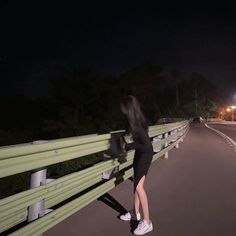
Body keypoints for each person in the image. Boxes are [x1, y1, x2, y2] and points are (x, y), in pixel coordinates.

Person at [119, 95, 154, 235]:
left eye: (122, 106)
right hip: (140, 153)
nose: (120, 108)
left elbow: (145, 144)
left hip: (145, 154)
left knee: (139, 187)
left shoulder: (137, 124)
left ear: (128, 108)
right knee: (136, 186)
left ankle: (147, 222)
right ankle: (135, 213)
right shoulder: (134, 120)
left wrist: (127, 146)